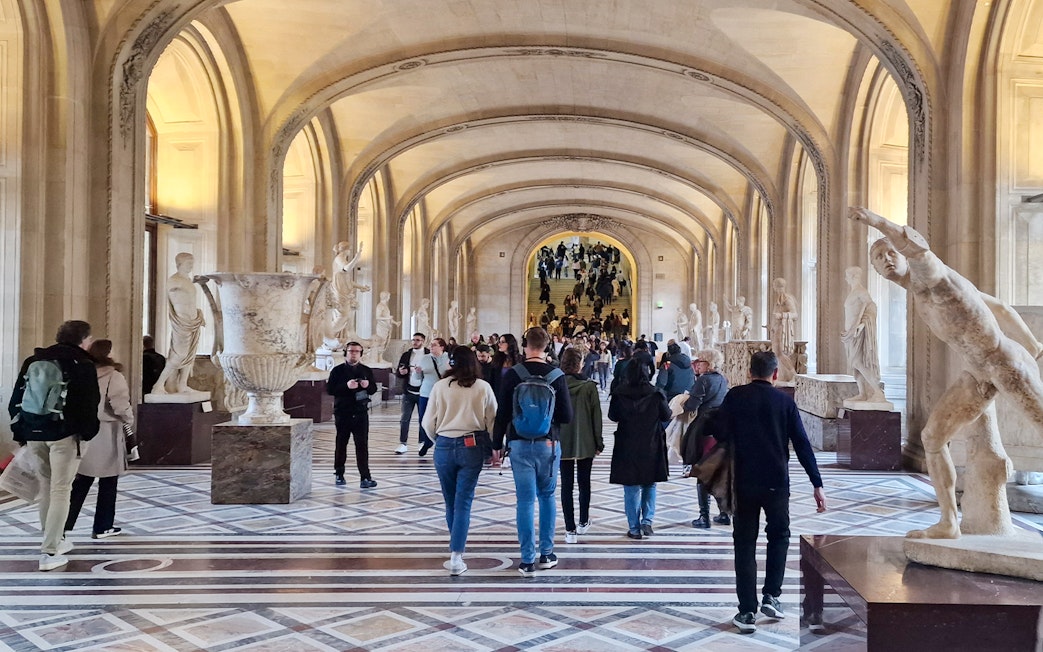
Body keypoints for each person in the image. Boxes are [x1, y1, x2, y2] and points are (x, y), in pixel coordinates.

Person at [850, 206, 1043, 538]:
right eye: (878, 258)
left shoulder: (932, 277)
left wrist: (874, 221)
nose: (886, 260)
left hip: (1005, 363)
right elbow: (997, 305)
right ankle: (949, 523)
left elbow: (919, 248)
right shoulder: (920, 296)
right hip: (978, 374)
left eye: (890, 252)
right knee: (932, 437)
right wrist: (1034, 342)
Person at [715, 351, 826, 633]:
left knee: (744, 543)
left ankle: (747, 612)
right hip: (776, 481)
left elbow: (718, 431)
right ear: (775, 374)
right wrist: (817, 483)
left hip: (742, 481)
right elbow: (802, 444)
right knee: (779, 536)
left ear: (749, 372)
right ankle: (772, 596)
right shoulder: (784, 402)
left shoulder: (735, 397)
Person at [9, 320, 100, 571]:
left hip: (34, 431)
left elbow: (17, 397)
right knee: (61, 490)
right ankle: (49, 552)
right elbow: (89, 405)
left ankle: (55, 539)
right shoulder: (82, 364)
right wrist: (87, 434)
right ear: (84, 340)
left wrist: (22, 431)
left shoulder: (33, 360)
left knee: (47, 487)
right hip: (65, 435)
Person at [492, 327, 574, 575]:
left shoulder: (513, 374)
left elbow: (502, 413)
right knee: (547, 497)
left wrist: (497, 444)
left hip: (518, 444)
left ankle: (527, 559)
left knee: (525, 500)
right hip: (548, 444)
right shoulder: (556, 375)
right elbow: (567, 416)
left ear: (526, 346)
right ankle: (547, 553)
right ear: (548, 347)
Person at [422, 347, 497, 576]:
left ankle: (455, 548)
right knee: (464, 501)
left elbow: (428, 421)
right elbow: (492, 419)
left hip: (444, 443)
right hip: (471, 445)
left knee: (450, 500)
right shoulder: (482, 387)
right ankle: (456, 555)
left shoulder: (440, 386)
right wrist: (495, 447)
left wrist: (440, 439)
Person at [65, 339, 134, 539]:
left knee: (82, 480)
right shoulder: (114, 375)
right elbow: (120, 404)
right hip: (106, 431)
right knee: (108, 482)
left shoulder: (81, 372)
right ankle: (103, 526)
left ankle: (64, 524)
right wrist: (129, 419)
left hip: (84, 430)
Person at [608, 357, 671, 539]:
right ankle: (647, 521)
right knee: (650, 482)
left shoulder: (619, 393)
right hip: (651, 443)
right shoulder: (656, 393)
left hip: (627, 443)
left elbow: (613, 416)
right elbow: (666, 415)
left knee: (631, 486)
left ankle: (634, 527)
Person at [558, 348, 604, 544]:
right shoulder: (589, 387)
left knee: (566, 486)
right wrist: (599, 441)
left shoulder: (557, 385)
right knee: (584, 483)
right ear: (579, 364)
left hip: (562, 440)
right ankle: (584, 521)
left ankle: (570, 530)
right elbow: (597, 417)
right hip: (586, 440)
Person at [683, 348, 730, 528]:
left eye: (700, 362)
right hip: (720, 429)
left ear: (708, 364)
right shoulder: (722, 380)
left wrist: (686, 400)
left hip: (704, 428)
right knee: (718, 472)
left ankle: (704, 516)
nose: (697, 365)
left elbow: (692, 404)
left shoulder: (703, 380)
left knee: (702, 472)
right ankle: (724, 513)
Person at [151, 252, 205, 395]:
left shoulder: (187, 280)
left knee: (190, 355)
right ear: (179, 264)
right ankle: (158, 385)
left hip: (193, 321)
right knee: (179, 354)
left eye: (192, 264)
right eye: (188, 264)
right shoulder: (174, 280)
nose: (191, 266)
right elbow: (178, 301)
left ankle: (182, 385)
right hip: (182, 322)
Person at [326, 341, 378, 488]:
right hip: (343, 412)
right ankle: (339, 473)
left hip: (361, 412)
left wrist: (368, 386)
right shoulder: (337, 371)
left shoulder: (366, 370)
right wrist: (346, 386)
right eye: (350, 351)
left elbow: (373, 389)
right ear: (346, 353)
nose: (353, 353)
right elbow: (330, 389)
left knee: (362, 445)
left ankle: (365, 477)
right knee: (341, 443)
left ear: (360, 354)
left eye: (356, 351)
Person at [840, 267, 887, 404]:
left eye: (847, 276)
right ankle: (863, 393)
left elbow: (872, 307)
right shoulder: (853, 292)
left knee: (858, 361)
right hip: (849, 334)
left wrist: (861, 325)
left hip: (857, 332)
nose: (845, 279)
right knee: (854, 365)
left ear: (853, 276)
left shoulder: (861, 291)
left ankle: (877, 392)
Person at [395, 333, 430, 455]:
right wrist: (401, 372)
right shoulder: (406, 355)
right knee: (405, 418)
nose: (415, 342)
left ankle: (421, 442)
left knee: (423, 418)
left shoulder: (428, 355)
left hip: (424, 391)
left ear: (423, 341)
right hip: (408, 390)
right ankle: (403, 443)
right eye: (413, 340)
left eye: (418, 340)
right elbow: (399, 371)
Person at [415, 337, 451, 457]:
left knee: (441, 419)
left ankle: (440, 443)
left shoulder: (448, 358)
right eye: (430, 345)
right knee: (423, 419)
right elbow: (418, 378)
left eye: (434, 345)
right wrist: (417, 372)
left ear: (442, 347)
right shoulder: (425, 358)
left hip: (443, 394)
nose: (431, 347)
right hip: (426, 392)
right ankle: (428, 440)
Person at [768, 279, 798, 381]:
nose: (774, 288)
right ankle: (781, 375)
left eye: (775, 286)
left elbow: (795, 314)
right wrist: (771, 326)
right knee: (776, 353)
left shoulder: (787, 299)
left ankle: (793, 374)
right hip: (777, 328)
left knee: (780, 353)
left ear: (779, 287)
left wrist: (781, 315)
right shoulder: (779, 299)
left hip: (782, 329)